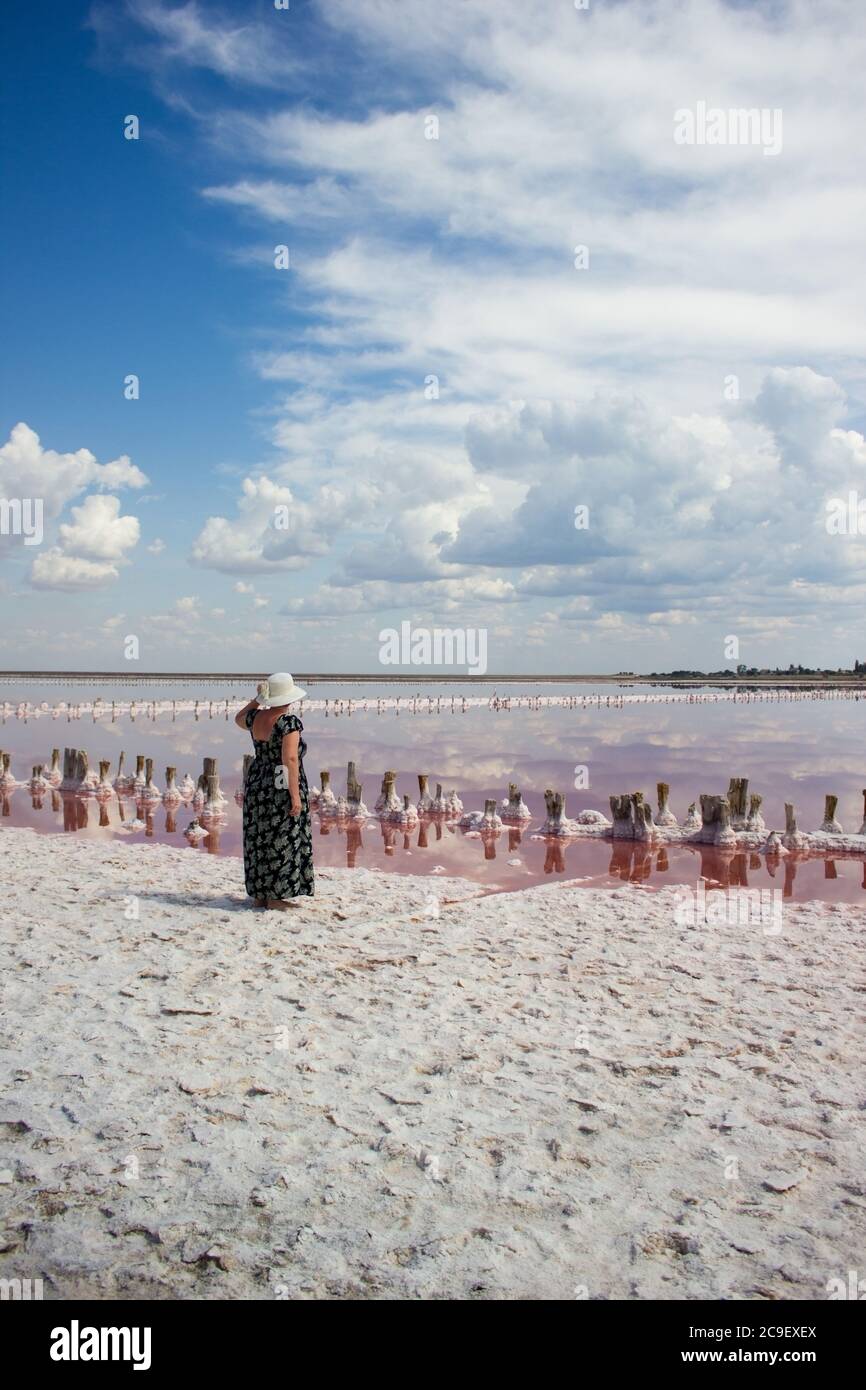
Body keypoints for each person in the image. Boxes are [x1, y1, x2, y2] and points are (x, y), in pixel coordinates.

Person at [234, 672, 314, 910]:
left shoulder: (256, 718)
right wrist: (295, 795)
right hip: (281, 782)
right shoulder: (288, 722)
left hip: (259, 780)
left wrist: (258, 699)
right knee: (282, 835)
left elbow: (238, 717)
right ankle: (276, 898)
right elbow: (289, 758)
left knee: (259, 834)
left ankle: (261, 894)